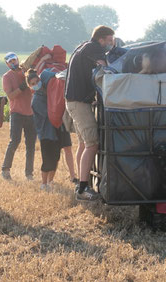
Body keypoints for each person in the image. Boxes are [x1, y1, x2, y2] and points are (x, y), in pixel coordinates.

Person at [65, 25, 115, 201]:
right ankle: (83, 190)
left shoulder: (82, 47)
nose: (110, 45)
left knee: (82, 143)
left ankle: (80, 183)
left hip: (73, 101)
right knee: (92, 144)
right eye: (109, 41)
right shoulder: (94, 48)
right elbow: (106, 69)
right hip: (79, 103)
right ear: (101, 39)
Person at [25, 69, 74, 190]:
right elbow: (49, 113)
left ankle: (50, 182)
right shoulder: (36, 100)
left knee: (56, 157)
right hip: (46, 133)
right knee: (47, 159)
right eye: (33, 83)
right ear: (30, 86)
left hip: (55, 130)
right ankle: (43, 183)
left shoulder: (49, 92)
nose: (36, 83)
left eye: (37, 81)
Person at [1, 52, 37, 180]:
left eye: (14, 60)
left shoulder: (26, 72)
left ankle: (29, 174)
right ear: (7, 64)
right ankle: (5, 169)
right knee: (15, 141)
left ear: (17, 60)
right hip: (16, 113)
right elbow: (10, 96)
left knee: (31, 145)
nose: (13, 63)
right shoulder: (6, 77)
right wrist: (22, 87)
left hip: (31, 113)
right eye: (10, 62)